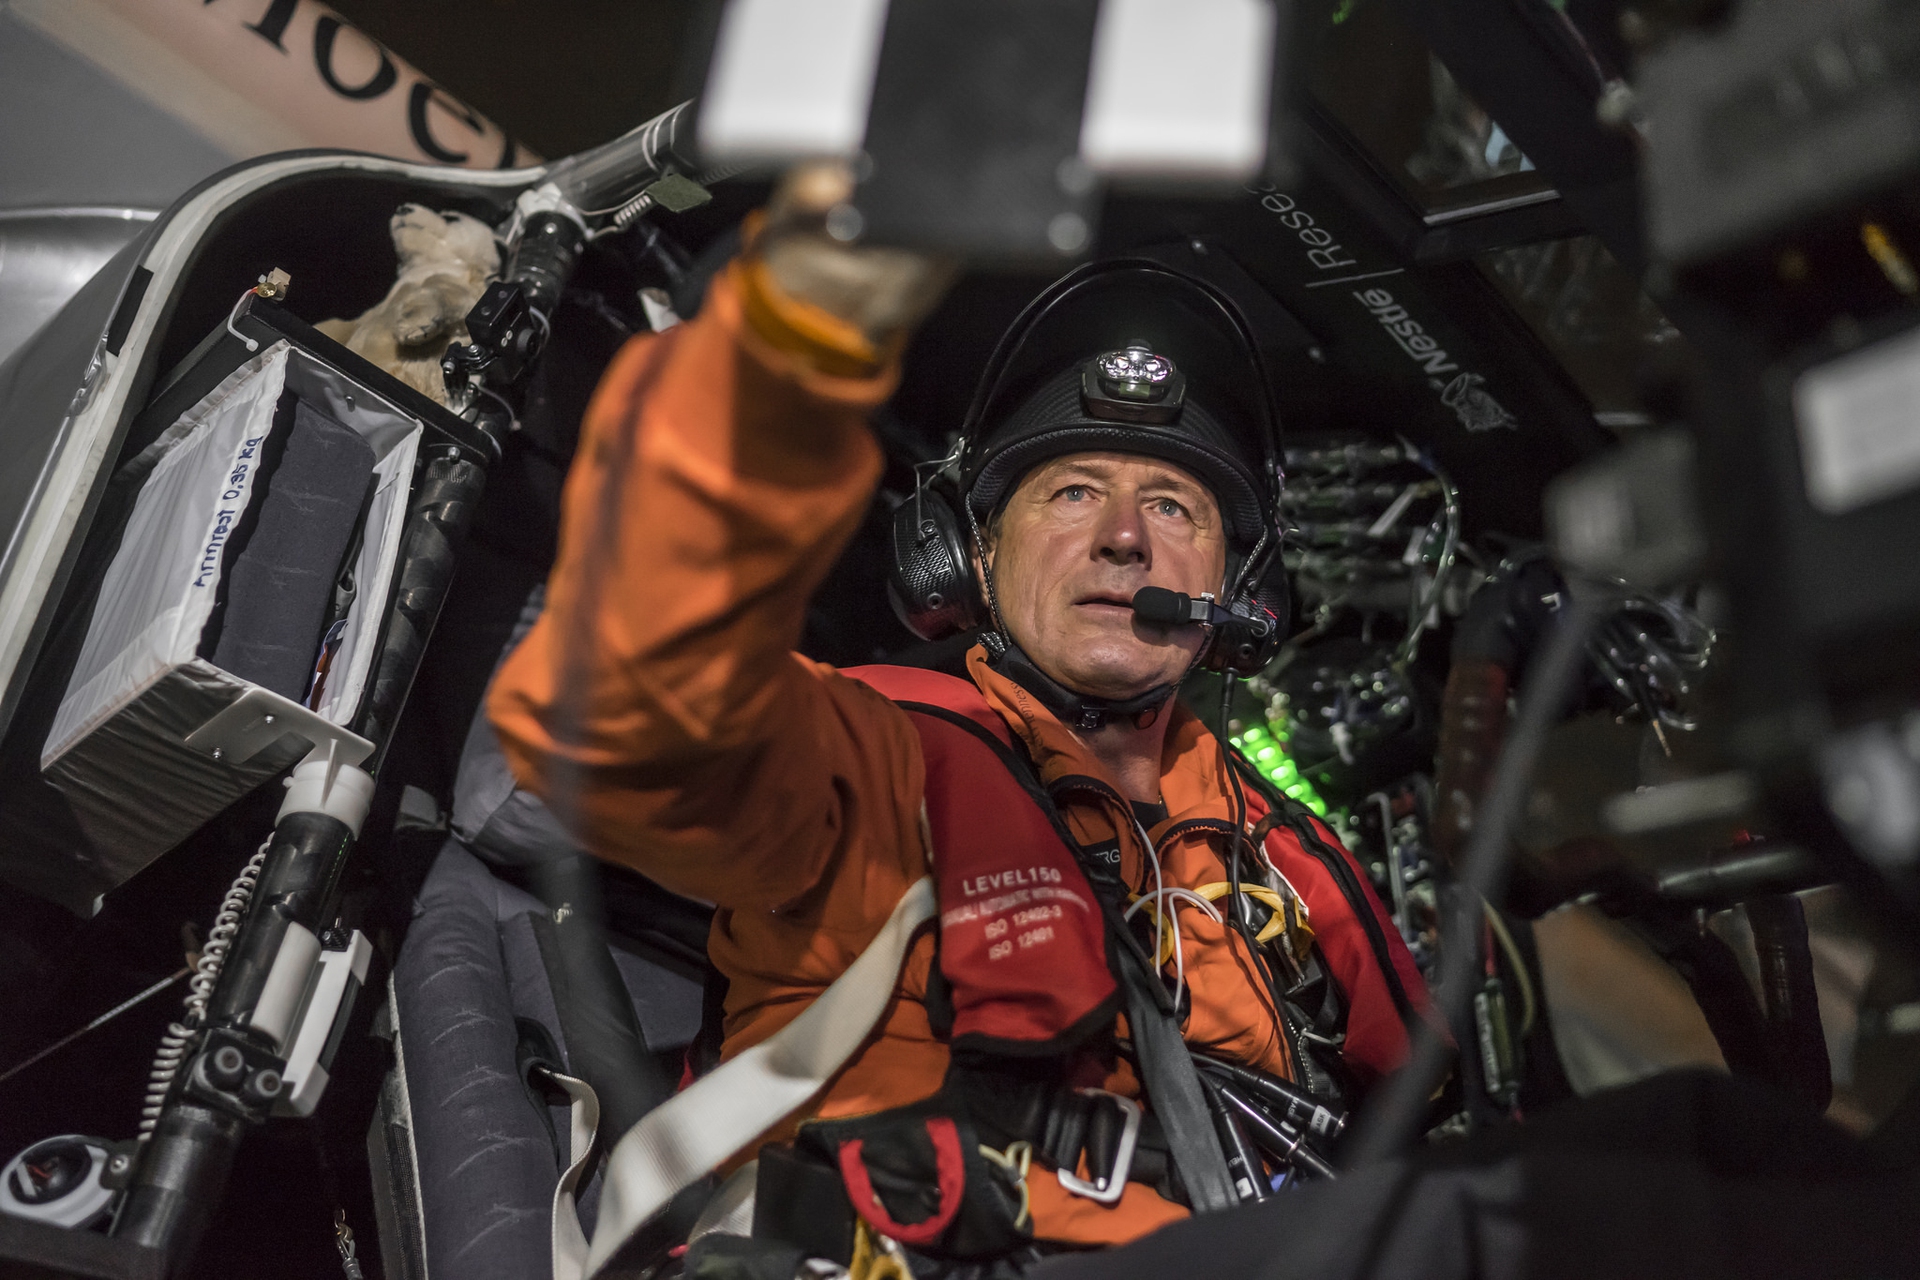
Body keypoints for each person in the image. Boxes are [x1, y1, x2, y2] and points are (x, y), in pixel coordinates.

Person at [488, 165, 1430, 1261]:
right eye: (1072, 491)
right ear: (968, 557)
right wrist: (790, 351)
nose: (1125, 537)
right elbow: (629, 713)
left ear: (1241, 588)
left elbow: (1464, 1086)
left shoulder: (1280, 846)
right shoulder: (879, 758)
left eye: (1172, 504)